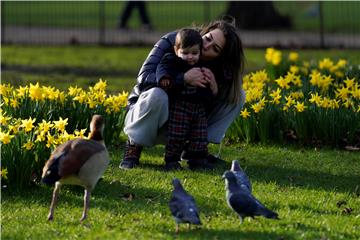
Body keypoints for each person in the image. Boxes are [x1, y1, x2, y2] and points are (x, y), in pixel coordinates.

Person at [119, 16, 246, 170]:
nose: (207, 46)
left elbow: (210, 102)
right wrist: (182, 79)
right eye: (208, 38)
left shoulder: (218, 68)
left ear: (221, 56)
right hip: (147, 117)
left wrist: (214, 89)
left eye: (215, 48)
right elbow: (144, 78)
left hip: (182, 123)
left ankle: (196, 149)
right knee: (157, 95)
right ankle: (134, 146)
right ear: (206, 31)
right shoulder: (175, 40)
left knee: (238, 95)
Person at [157, 28, 218, 170]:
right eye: (185, 53)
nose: (190, 57)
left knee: (200, 135)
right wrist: (165, 78)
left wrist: (212, 88)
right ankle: (172, 160)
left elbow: (207, 86)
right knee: (176, 134)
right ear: (176, 50)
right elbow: (162, 68)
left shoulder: (202, 66)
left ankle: (197, 160)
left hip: (198, 108)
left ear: (200, 51)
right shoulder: (172, 60)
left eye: (194, 53)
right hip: (180, 105)